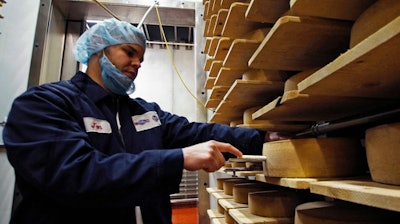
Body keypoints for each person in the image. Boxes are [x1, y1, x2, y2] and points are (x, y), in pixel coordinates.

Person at [3, 18, 290, 224]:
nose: (138, 64)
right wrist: (176, 159)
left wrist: (264, 138)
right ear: (99, 51)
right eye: (129, 53)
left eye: (141, 57)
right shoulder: (43, 103)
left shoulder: (142, 112)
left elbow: (193, 132)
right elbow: (76, 175)